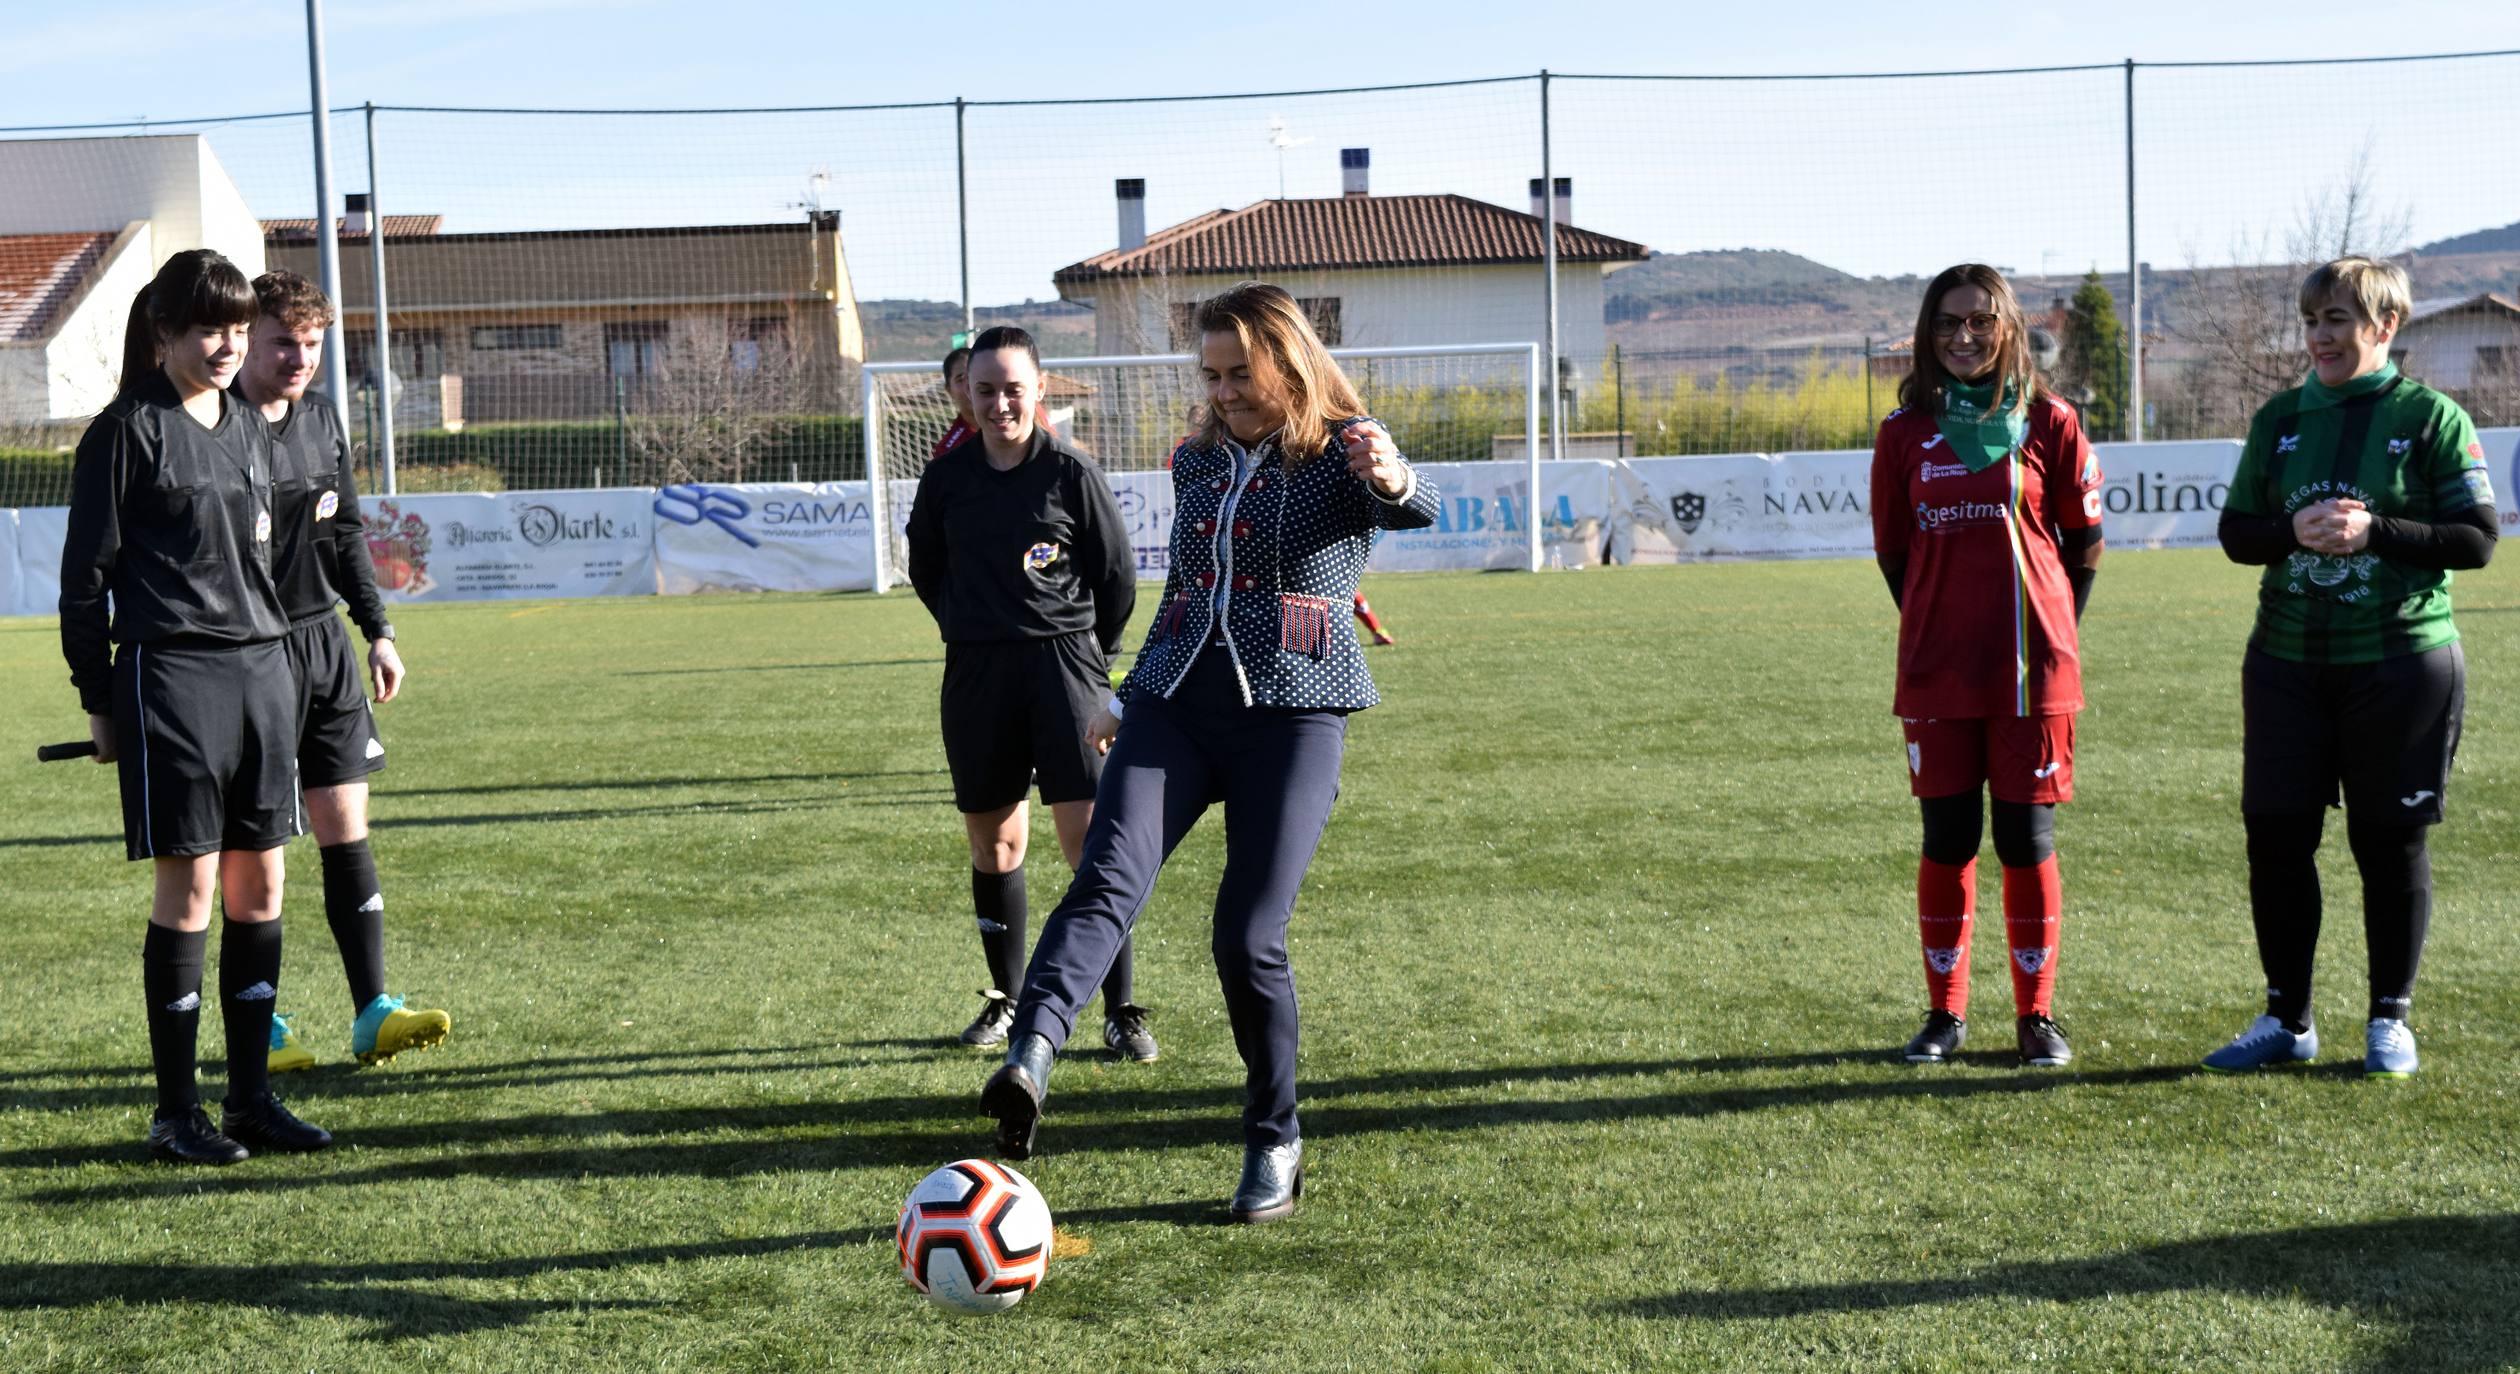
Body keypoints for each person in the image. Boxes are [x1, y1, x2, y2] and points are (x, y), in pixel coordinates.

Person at [979, 281, 1441, 1224]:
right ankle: (1030, 1058)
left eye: (1242, 373)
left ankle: (1275, 1135)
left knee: (1246, 935)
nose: (1224, 390)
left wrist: (1392, 476)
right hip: (1175, 706)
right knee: (1107, 877)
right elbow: (1187, 592)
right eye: (1212, 374)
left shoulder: (1344, 449)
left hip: (1295, 714)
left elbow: (1411, 507)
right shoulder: (1194, 462)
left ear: (1289, 362)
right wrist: (1124, 694)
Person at [58, 250, 331, 1164]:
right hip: (170, 678)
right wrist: (101, 701)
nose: (226, 345)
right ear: (164, 331)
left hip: (264, 674)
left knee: (264, 884)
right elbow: (82, 583)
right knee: (195, 886)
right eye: (206, 328)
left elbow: (271, 564)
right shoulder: (124, 430)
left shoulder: (252, 426)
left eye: (235, 327)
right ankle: (178, 1112)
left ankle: (250, 1101)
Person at [2201, 256, 2497, 1078]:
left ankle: (2388, 1019)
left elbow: (2475, 540)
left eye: (2337, 320)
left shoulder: (2431, 417)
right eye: (2312, 321)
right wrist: (2294, 529)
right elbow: (2236, 535)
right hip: (2287, 662)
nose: (2320, 337)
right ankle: (2287, 1019)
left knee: (2389, 843)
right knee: (2276, 839)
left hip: (2400, 662)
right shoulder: (2280, 417)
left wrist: (2377, 532)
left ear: (2384, 327)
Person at [1869, 263, 2104, 1069]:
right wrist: (1944, 623)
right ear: (1927, 337)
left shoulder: (2051, 422)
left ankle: (2037, 1016)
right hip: (1937, 671)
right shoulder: (1903, 434)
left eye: (1979, 320)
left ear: (2007, 326)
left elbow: (2084, 548)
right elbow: (1895, 555)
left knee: (2024, 838)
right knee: (1947, 838)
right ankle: (1944, 1015)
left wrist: (2044, 633)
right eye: (1946, 323)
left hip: (2032, 675)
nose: (1962, 336)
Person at [905, 326, 1155, 1061]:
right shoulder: (946, 479)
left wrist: (1090, 656)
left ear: (1039, 389)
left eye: (1013, 387)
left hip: (1066, 673)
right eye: (985, 390)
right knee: (996, 842)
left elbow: (1117, 581)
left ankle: (1121, 1010)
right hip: (977, 675)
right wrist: (972, 626)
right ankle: (1007, 1000)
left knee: (1089, 847)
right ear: (967, 395)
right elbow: (927, 571)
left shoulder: (1071, 473)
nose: (1000, 402)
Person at [234, 271, 451, 1073]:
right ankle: (265, 1023)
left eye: (313, 344)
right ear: (247, 340)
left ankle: (372, 1012)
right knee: (257, 846)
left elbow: (349, 532)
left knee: (344, 827)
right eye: (283, 341)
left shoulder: (322, 419)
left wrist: (380, 632)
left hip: (323, 647)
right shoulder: (215, 424)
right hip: (245, 654)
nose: (298, 357)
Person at [931, 345, 976, 461]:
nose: (969, 385)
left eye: (974, 375)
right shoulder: (947, 452)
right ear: (949, 390)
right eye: (960, 379)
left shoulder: (1017, 429)